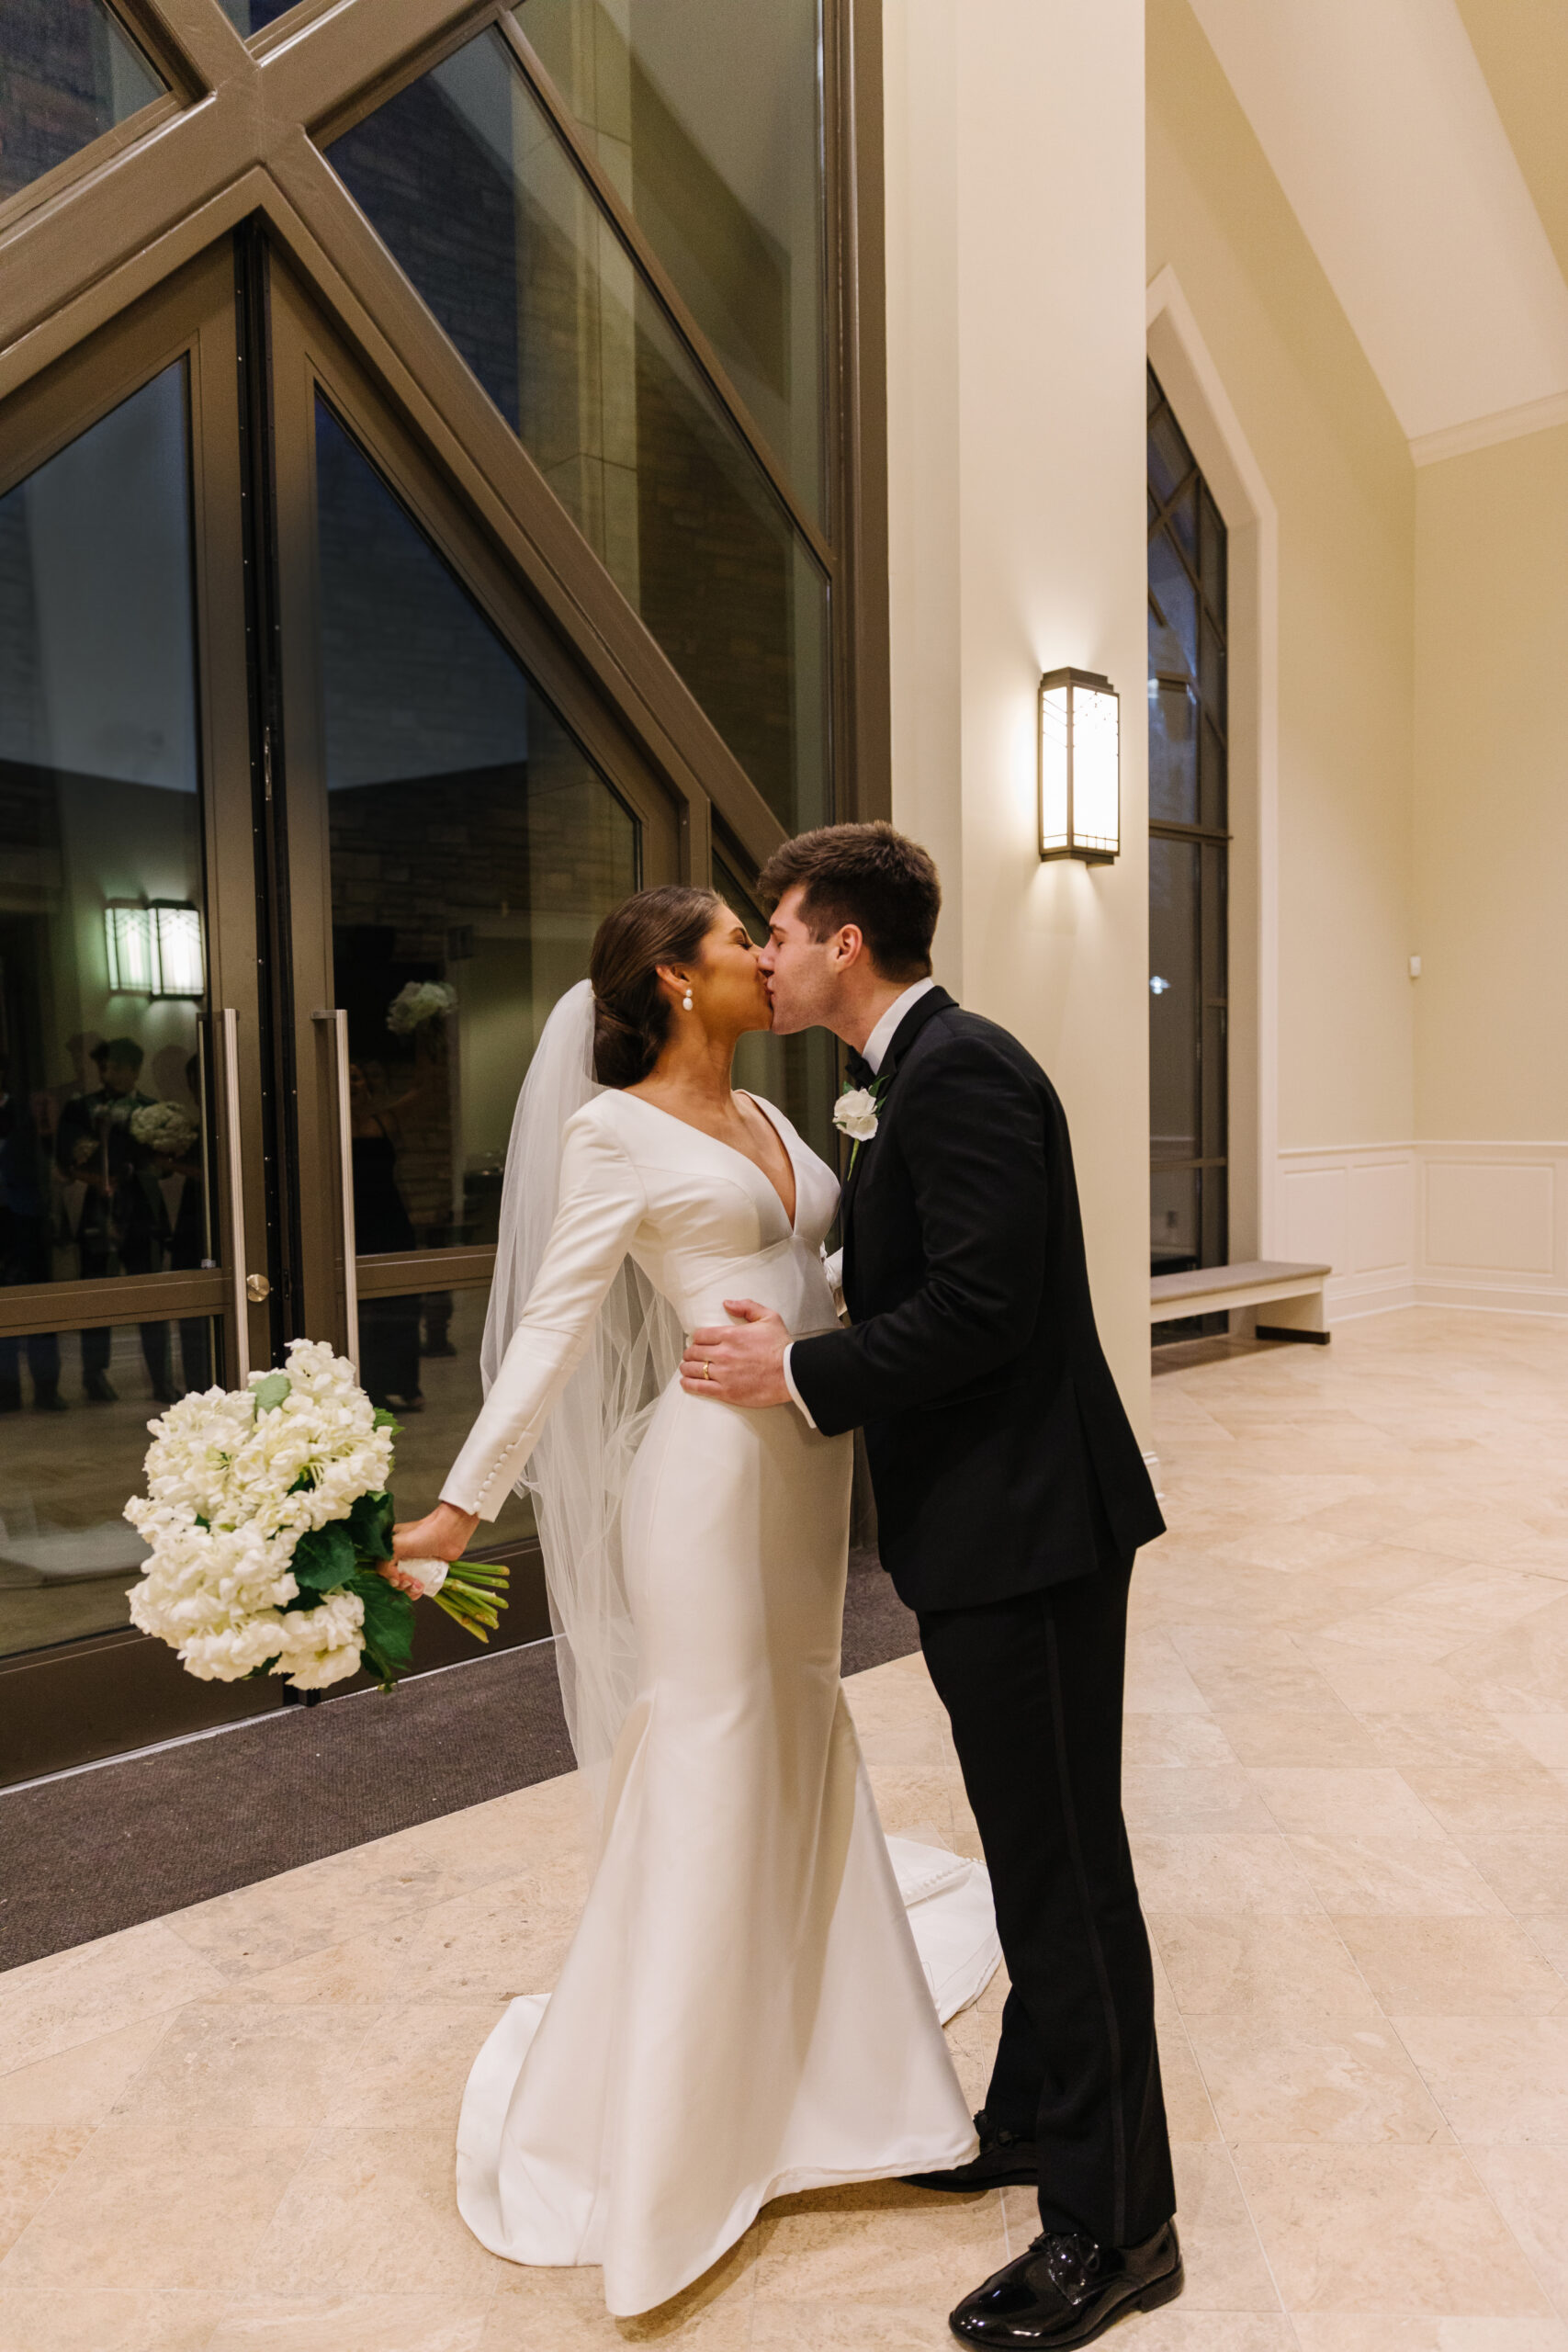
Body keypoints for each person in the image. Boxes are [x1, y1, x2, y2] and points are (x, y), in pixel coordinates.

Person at [389, 887, 994, 2319]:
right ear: (674, 980)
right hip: (707, 1484)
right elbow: (550, 1329)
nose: (761, 957)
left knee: (797, 1740)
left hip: (802, 1478)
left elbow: (815, 1273)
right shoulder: (615, 1133)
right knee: (718, 1754)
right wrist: (461, 1508)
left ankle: (831, 2096)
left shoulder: (786, 1124)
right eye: (738, 940)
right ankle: (675, 2151)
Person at [680, 823, 1181, 2350]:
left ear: (841, 940)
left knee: (1060, 1864)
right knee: (1039, 1840)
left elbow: (983, 1303)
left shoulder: (954, 1073)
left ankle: (1117, 2225)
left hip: (1024, 1529)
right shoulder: (914, 1073)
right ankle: (1034, 2110)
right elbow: (940, 1279)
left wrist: (801, 1369)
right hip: (1004, 1523)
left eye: (775, 930)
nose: (761, 955)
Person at [53, 1035, 174, 1404]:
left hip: (141, 1210)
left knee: (151, 1298)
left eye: (119, 1067)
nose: (110, 1073)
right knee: (97, 1298)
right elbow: (65, 1161)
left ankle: (161, 1378)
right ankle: (94, 1375)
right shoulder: (83, 1108)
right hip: (99, 1208)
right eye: (106, 1067)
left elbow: (164, 1166)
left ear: (135, 1069)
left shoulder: (153, 1109)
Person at [0, 1052, 64, 1413]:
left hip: (25, 1217)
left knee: (38, 1303)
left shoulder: (24, 1116)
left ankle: (46, 1388)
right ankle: (6, 1392)